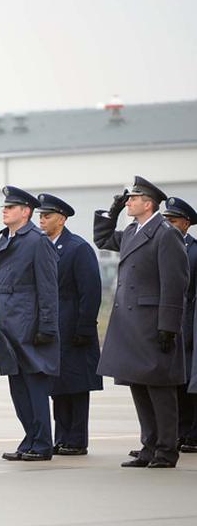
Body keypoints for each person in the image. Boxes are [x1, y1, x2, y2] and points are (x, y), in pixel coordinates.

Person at [95, 176, 188, 468]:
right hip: (131, 324)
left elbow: (175, 283)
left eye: (133, 199)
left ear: (148, 204)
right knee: (138, 385)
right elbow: (103, 239)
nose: (128, 203)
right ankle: (148, 446)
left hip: (152, 323)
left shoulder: (165, 233)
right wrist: (111, 214)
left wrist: (168, 326)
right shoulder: (134, 230)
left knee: (159, 389)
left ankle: (166, 450)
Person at [0, 187, 60, 462]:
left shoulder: (37, 241)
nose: (5, 210)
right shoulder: (4, 240)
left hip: (29, 325)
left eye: (12, 206)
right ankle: (29, 438)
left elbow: (48, 288)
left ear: (26, 211)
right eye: (5, 207)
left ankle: (42, 443)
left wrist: (46, 326)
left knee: (34, 387)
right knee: (17, 387)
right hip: (8, 322)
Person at [37, 193, 102, 456]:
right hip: (54, 329)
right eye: (40, 216)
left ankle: (76, 439)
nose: (42, 220)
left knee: (76, 386)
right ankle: (61, 437)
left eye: (47, 216)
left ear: (61, 220)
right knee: (57, 387)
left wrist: (85, 327)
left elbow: (91, 291)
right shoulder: (42, 247)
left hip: (74, 327)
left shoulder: (77, 248)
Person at [161, 197, 197, 452]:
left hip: (189, 320)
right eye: (166, 221)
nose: (169, 225)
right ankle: (178, 433)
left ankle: (192, 433)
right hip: (169, 322)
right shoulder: (161, 245)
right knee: (172, 383)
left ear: (186, 223)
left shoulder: (194, 250)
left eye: (173, 221)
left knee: (189, 384)